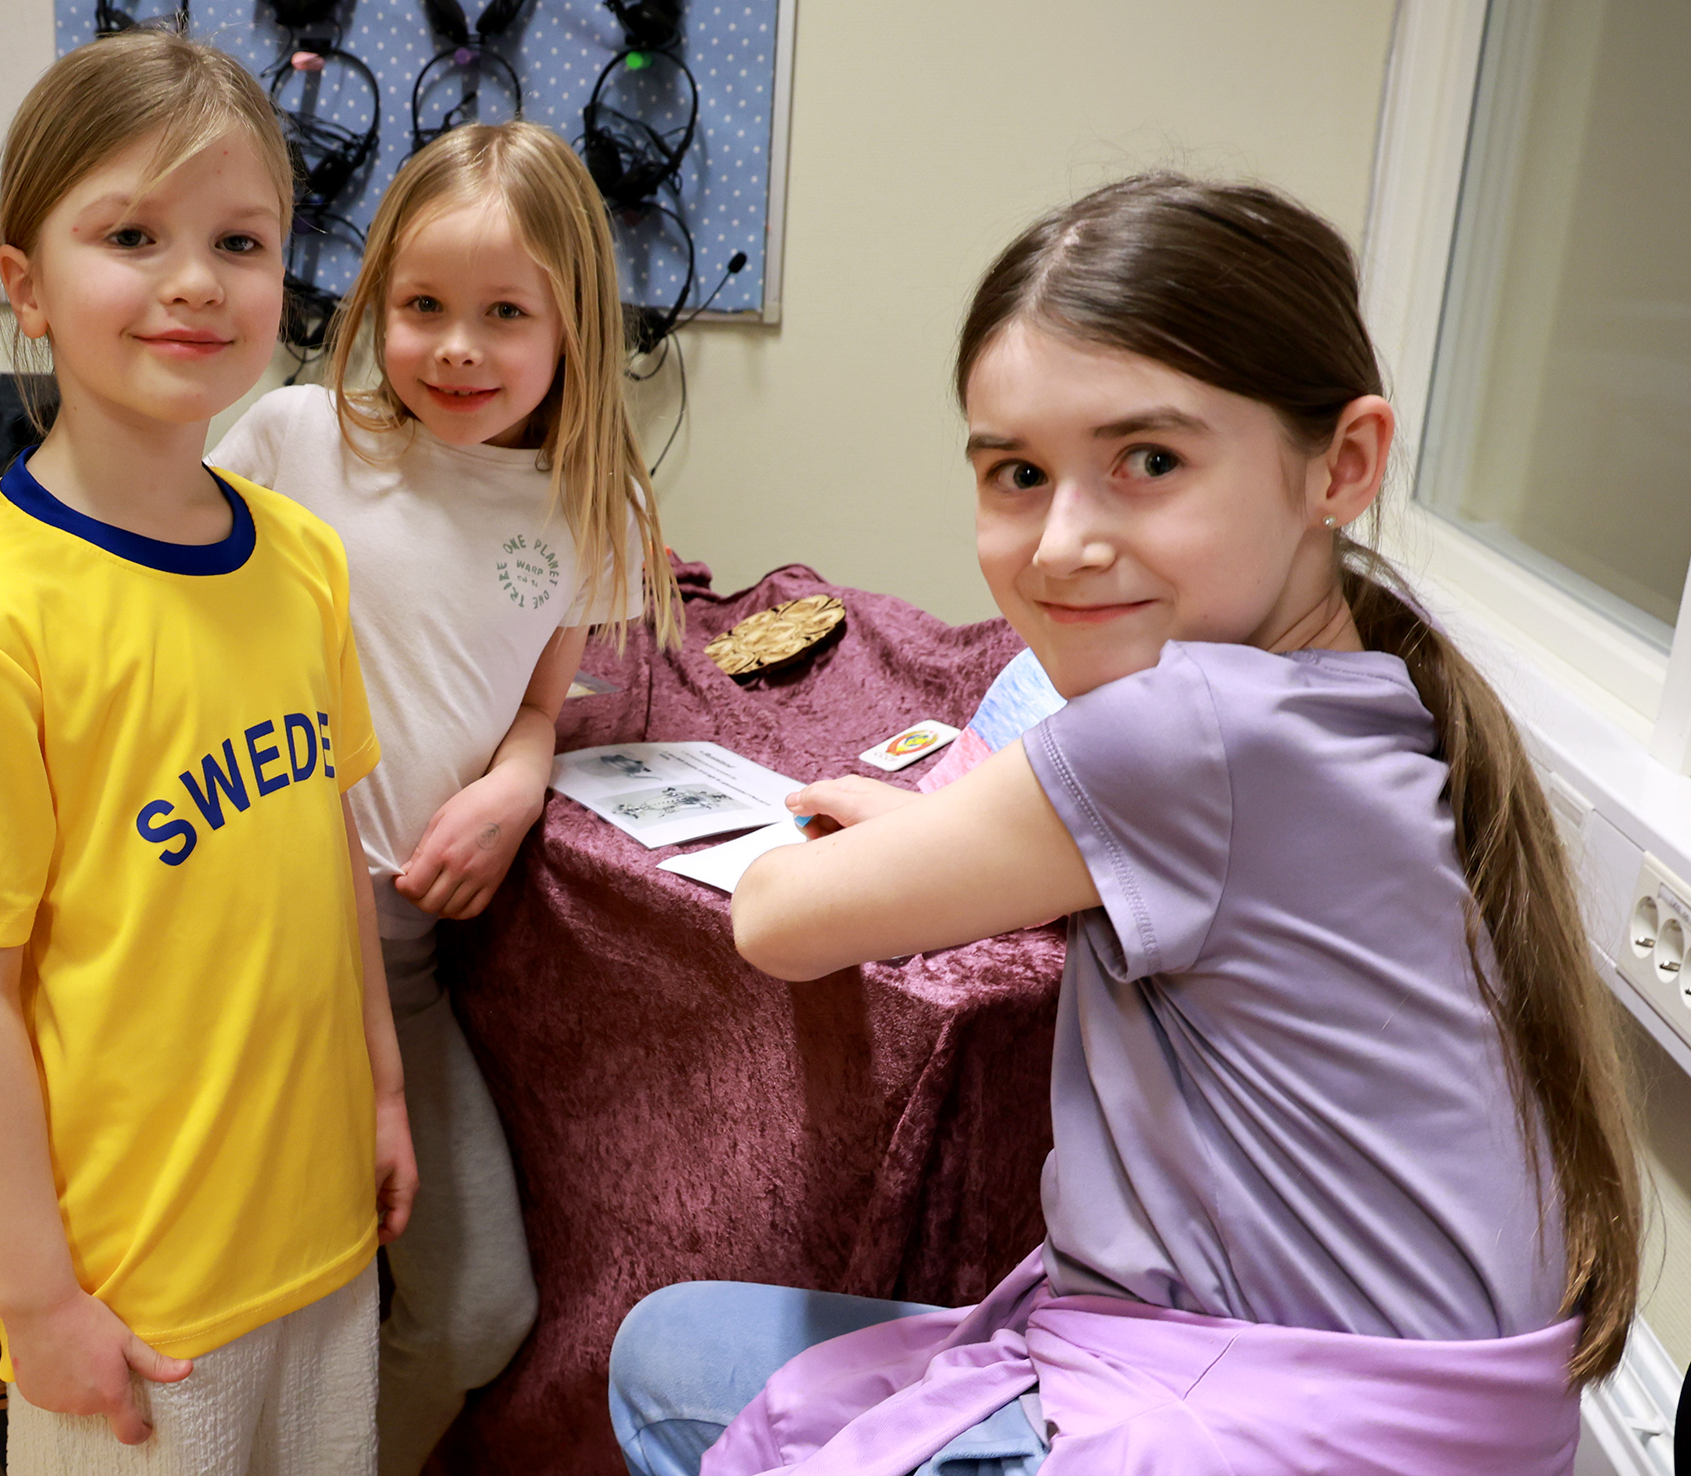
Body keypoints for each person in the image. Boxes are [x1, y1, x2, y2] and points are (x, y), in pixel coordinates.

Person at [607, 173, 1640, 1475]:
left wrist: (939, 836)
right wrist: (965, 835)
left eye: (1149, 462)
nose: (1064, 545)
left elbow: (780, 921)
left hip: (1277, 1429)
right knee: (701, 1354)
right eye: (1018, 474)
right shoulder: (1372, 684)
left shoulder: (1185, 730)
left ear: (1343, 465)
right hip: (1437, 1418)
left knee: (667, 1359)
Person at [0, 30, 416, 1476]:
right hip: (138, 1299)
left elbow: (330, 864)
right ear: (27, 284)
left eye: (240, 240)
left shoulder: (302, 560)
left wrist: (385, 1091)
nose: (195, 280)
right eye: (132, 236)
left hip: (320, 1236)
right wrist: (38, 1301)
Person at [211, 119, 679, 1473]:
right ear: (376, 302)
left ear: (574, 323)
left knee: (476, 1316)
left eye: (504, 314)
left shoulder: (592, 505)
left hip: (397, 957)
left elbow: (537, 705)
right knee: (246, 1293)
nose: (457, 349)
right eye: (422, 307)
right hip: (227, 939)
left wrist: (519, 787)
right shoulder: (294, 437)